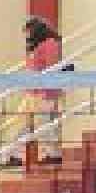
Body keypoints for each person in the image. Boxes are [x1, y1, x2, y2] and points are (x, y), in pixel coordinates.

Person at [20, 17, 64, 168]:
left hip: (44, 91)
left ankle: (53, 154)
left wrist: (47, 91)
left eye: (28, 32)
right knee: (24, 123)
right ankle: (16, 154)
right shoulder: (35, 46)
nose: (27, 36)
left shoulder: (50, 44)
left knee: (44, 123)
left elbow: (51, 68)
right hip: (32, 91)